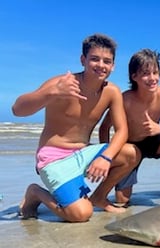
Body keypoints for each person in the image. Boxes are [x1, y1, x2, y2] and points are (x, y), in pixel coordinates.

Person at [11, 33, 138, 222]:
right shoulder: (62, 84)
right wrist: (51, 92)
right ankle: (36, 193)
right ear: (83, 60)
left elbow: (122, 131)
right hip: (54, 158)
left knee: (131, 153)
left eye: (107, 61)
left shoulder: (112, 91)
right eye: (94, 59)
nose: (101, 65)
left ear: (113, 65)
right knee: (80, 214)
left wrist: (105, 157)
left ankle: (99, 197)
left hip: (83, 154)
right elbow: (17, 110)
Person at [99, 48, 160, 205]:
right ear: (134, 76)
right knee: (122, 200)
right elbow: (104, 127)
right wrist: (108, 156)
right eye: (145, 74)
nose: (152, 78)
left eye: (155, 73)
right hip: (130, 147)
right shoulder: (125, 99)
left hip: (153, 141)